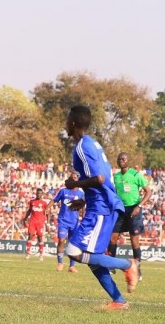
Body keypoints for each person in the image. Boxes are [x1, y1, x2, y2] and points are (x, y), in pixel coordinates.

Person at [63, 105, 139, 310]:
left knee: (72, 250)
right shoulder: (92, 144)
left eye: (67, 120)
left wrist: (74, 185)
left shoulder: (81, 147)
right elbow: (101, 179)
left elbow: (99, 178)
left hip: (101, 208)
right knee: (93, 259)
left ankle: (128, 265)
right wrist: (85, 200)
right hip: (101, 204)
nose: (65, 124)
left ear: (73, 123)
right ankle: (119, 300)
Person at [108, 152, 152, 280]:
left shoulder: (135, 175)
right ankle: (111, 267)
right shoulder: (116, 176)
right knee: (112, 238)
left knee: (134, 242)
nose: (121, 160)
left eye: (124, 159)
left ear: (128, 161)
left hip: (134, 210)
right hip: (120, 210)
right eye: (119, 158)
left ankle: (137, 270)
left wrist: (139, 206)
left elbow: (148, 192)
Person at [46, 171, 85, 272]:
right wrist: (47, 208)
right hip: (63, 220)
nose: (72, 179)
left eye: (74, 178)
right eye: (71, 177)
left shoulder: (81, 194)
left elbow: (83, 208)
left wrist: (84, 218)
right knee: (61, 240)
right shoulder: (63, 191)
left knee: (73, 244)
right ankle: (60, 263)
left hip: (74, 222)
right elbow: (54, 200)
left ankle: (72, 266)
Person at [21, 188, 48, 261]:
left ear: (42, 194)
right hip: (32, 221)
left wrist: (47, 222)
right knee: (30, 235)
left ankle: (41, 255)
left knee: (40, 237)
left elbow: (47, 213)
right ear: (36, 194)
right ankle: (28, 253)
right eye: (37, 193)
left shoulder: (44, 203)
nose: (39, 195)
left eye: (40, 193)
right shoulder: (32, 202)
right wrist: (25, 218)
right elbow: (29, 210)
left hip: (40, 222)